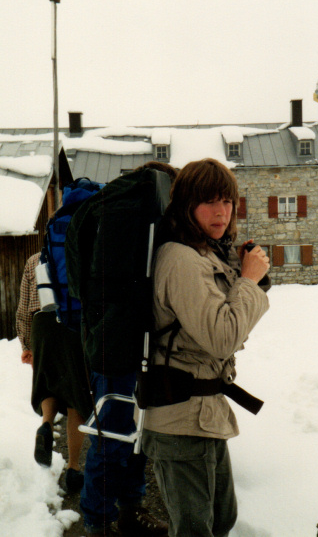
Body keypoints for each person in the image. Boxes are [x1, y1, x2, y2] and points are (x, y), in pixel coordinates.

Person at [142, 158, 271, 537]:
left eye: (227, 201)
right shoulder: (180, 259)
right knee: (196, 530)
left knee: (220, 521)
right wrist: (248, 280)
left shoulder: (205, 252)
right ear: (186, 206)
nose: (221, 211)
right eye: (209, 201)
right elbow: (221, 338)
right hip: (181, 418)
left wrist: (244, 272)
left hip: (203, 413)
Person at [78, 161, 176, 537]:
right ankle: (97, 521)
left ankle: (129, 510)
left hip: (133, 342)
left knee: (136, 433)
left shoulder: (142, 219)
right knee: (113, 436)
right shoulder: (127, 216)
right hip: (117, 345)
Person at [16, 252, 92, 493]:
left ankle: (46, 424)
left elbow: (23, 307)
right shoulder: (81, 251)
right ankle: (73, 469)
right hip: (73, 324)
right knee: (75, 395)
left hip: (42, 325)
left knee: (47, 383)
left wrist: (27, 343)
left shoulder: (34, 260)